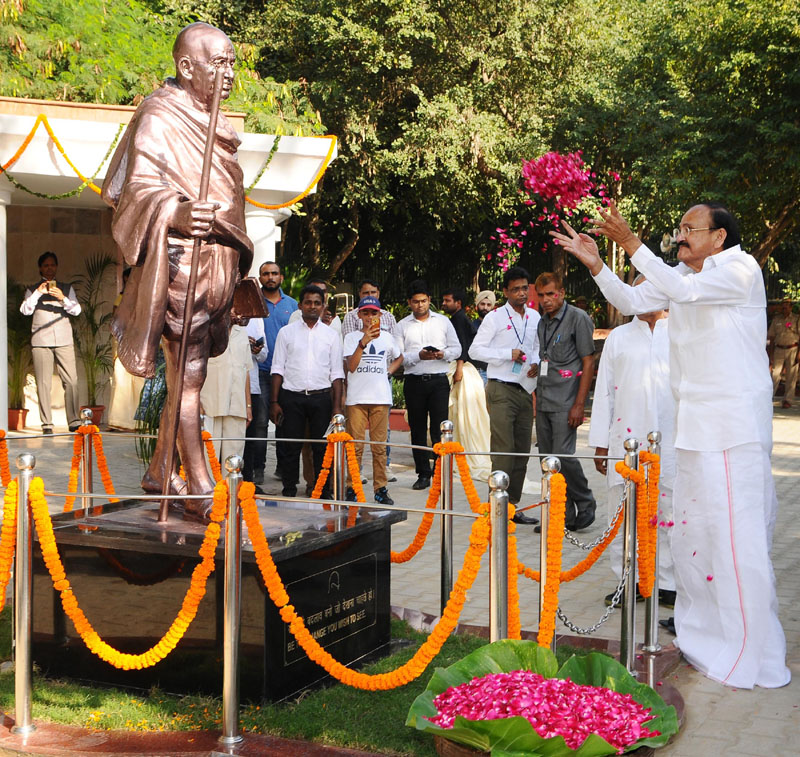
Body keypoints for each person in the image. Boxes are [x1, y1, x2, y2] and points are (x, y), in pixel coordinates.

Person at [552, 200, 790, 689]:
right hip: (695, 427)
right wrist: (597, 263)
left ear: (719, 236)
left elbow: (679, 288)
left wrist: (630, 242)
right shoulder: (684, 277)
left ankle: (750, 649)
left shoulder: (740, 269)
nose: (680, 237)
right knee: (696, 537)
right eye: (679, 229)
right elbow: (633, 299)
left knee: (735, 539)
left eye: (689, 229)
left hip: (732, 427)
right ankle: (705, 634)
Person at [101, 22, 253, 518]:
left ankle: (160, 470)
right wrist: (179, 211)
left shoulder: (217, 126)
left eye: (233, 62)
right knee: (188, 378)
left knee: (190, 375)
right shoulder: (160, 116)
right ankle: (202, 487)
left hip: (217, 265)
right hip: (181, 264)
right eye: (219, 62)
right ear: (187, 67)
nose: (229, 72)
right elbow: (134, 191)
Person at [588, 276, 676, 607]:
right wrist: (600, 443)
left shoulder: (681, 332)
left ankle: (668, 582)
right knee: (623, 511)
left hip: (672, 440)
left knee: (669, 508)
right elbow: (604, 393)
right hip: (626, 443)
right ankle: (630, 579)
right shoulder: (619, 339)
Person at [470, 267, 540, 520]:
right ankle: (497, 507)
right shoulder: (495, 318)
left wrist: (537, 364)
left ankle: (513, 507)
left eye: (524, 288)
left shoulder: (534, 316)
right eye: (516, 289)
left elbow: (537, 347)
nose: (521, 293)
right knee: (503, 449)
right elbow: (475, 350)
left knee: (522, 450)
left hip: (525, 388)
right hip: (501, 388)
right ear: (506, 292)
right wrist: (506, 354)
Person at [533, 272, 597, 532]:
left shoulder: (577, 318)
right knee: (547, 461)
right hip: (545, 397)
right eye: (542, 295)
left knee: (562, 457)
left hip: (566, 400)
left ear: (562, 293)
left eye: (551, 294)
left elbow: (588, 361)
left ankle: (586, 501)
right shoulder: (542, 323)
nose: (547, 300)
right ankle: (562, 515)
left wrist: (579, 404)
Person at [270, 285, 344, 498]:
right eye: (308, 302)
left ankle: (322, 491)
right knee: (290, 447)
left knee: (322, 447)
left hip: (321, 398)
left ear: (323, 307)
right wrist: (274, 402)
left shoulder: (331, 336)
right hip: (291, 397)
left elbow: (337, 374)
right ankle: (289, 490)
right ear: (300, 305)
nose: (312, 306)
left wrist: (337, 408)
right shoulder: (286, 332)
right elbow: (277, 368)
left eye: (317, 303)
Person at [396, 279, 461, 490]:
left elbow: (457, 348)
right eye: (415, 302)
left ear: (429, 300)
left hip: (438, 380)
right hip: (414, 381)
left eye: (423, 301)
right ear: (409, 302)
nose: (420, 305)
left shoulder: (442, 322)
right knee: (416, 428)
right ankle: (423, 473)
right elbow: (397, 357)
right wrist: (419, 356)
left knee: (440, 428)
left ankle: (440, 471)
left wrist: (443, 354)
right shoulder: (402, 325)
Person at [343, 296, 402, 504]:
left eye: (374, 313)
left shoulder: (387, 337)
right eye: (365, 313)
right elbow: (351, 366)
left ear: (380, 315)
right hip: (357, 398)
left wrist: (389, 371)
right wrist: (363, 342)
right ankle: (352, 487)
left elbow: (399, 357)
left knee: (378, 447)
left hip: (380, 398)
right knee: (355, 446)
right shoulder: (351, 337)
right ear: (359, 315)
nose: (370, 317)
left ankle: (381, 488)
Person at [246, 261, 298, 485]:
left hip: (287, 373)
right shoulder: (253, 304)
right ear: (260, 278)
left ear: (281, 278)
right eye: (265, 274)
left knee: (285, 422)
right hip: (261, 370)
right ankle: (258, 468)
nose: (270, 277)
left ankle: (283, 467)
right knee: (259, 423)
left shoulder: (293, 305)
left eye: (274, 273)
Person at [20, 251, 81, 434]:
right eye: (45, 265)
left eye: (52, 265)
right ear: (40, 268)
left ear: (56, 267)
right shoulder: (32, 290)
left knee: (71, 381)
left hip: (64, 339)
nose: (49, 268)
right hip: (41, 340)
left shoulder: (66, 288)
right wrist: (38, 293)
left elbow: (77, 310)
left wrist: (62, 298)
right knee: (43, 383)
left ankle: (74, 420)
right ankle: (47, 423)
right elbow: (25, 310)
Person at [200, 315, 255, 465]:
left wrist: (248, 406)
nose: (235, 313)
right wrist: (196, 400)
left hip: (237, 405)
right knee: (208, 457)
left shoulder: (241, 332)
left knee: (234, 459)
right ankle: (209, 489)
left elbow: (246, 370)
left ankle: (230, 489)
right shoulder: (205, 330)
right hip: (210, 404)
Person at [767, 299, 800, 408]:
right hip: (779, 349)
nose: (784, 309)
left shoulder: (796, 319)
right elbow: (771, 337)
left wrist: (799, 354)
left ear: (791, 307)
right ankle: (769, 397)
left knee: (792, 375)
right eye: (783, 307)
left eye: (786, 307)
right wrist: (771, 354)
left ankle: (788, 400)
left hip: (793, 349)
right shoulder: (777, 319)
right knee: (775, 374)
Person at [471, 290, 496, 383]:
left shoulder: (497, 327)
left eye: (489, 305)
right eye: (482, 304)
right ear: (477, 306)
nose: (485, 307)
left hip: (494, 372)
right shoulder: (472, 326)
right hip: (477, 372)